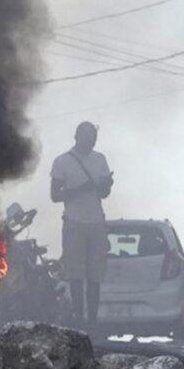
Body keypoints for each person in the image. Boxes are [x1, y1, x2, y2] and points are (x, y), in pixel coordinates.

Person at [51, 121, 114, 330]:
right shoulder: (62, 162)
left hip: (96, 221)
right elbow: (55, 195)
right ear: (77, 137)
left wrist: (106, 185)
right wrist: (81, 188)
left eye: (93, 138)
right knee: (76, 275)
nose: (91, 141)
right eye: (88, 137)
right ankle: (79, 320)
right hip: (74, 222)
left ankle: (92, 321)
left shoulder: (100, 159)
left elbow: (104, 193)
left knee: (95, 275)